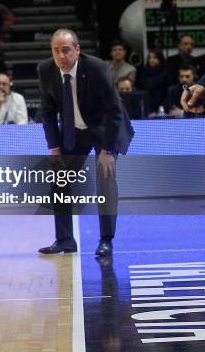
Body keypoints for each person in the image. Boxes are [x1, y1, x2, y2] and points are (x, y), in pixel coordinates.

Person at [37, 29, 134, 257]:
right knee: (59, 179)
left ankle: (106, 240)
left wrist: (107, 150)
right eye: (56, 51)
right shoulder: (45, 70)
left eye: (66, 50)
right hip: (74, 130)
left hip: (105, 127)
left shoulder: (97, 67)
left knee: (105, 178)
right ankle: (64, 240)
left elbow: (114, 111)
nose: (61, 56)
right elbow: (48, 113)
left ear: (77, 50)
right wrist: (55, 148)